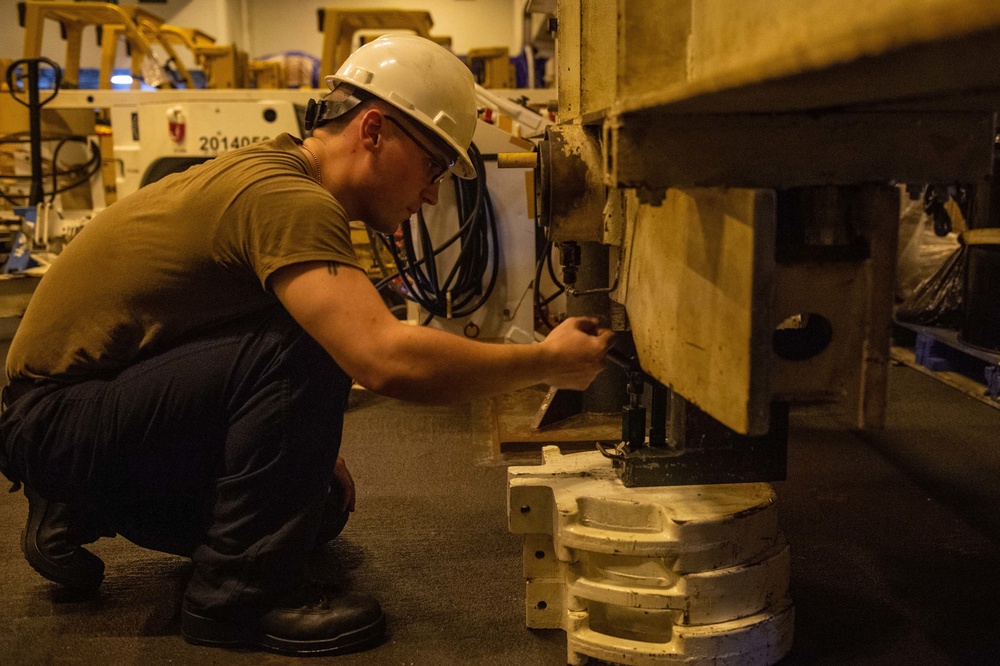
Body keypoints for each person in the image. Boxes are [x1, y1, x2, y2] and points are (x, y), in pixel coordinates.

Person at [0, 35, 612, 657]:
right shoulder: (291, 200)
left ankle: (77, 506)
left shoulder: (280, 172)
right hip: (53, 416)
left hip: (77, 407)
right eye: (432, 166)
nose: (431, 194)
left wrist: (303, 454)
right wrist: (546, 362)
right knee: (315, 345)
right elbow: (381, 359)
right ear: (373, 129)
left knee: (317, 512)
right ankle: (233, 601)